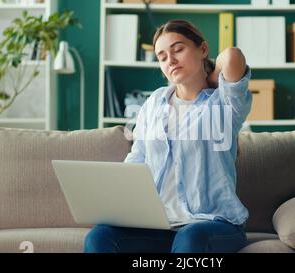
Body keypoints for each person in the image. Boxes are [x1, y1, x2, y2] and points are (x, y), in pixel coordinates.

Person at [84, 19, 252, 253]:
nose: (170, 60)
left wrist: (212, 79)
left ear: (202, 49)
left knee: (190, 239)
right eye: (162, 57)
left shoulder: (223, 103)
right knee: (100, 236)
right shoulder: (154, 102)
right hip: (159, 226)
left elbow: (233, 56)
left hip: (211, 224)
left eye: (178, 50)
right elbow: (138, 157)